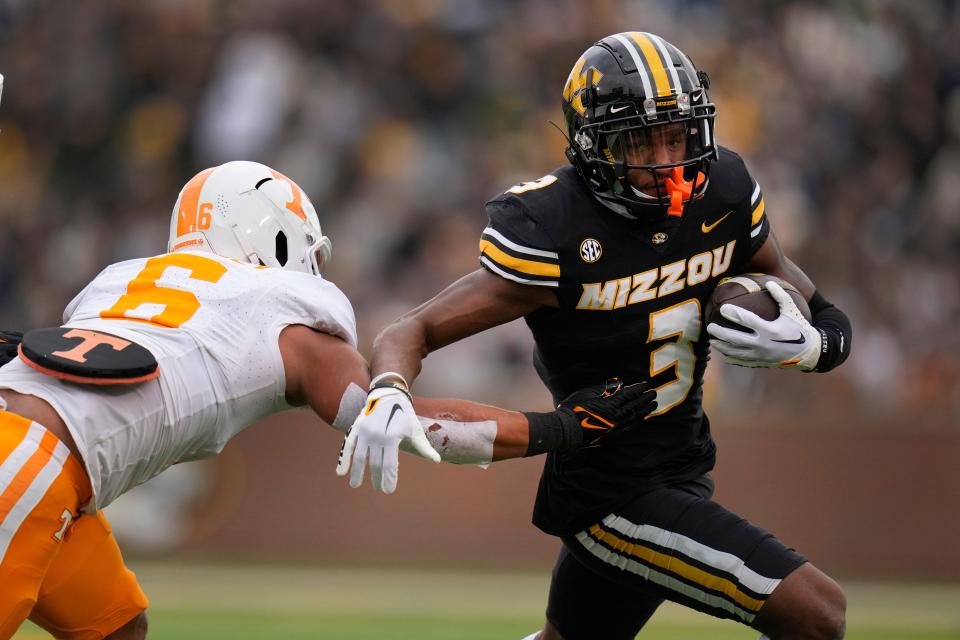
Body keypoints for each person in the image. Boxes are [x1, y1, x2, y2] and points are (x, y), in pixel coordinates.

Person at [0, 160, 657, 639]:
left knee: (116, 626)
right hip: (32, 467)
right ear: (281, 237)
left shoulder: (116, 282)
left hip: (39, 460)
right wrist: (558, 428)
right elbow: (407, 422)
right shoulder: (286, 317)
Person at [338, 32, 852, 640]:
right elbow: (412, 328)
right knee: (819, 613)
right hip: (610, 495)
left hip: (683, 465)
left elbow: (820, 309)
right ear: (593, 145)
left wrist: (815, 346)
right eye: (640, 140)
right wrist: (390, 387)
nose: (666, 158)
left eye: (677, 134)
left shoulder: (725, 192)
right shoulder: (555, 224)